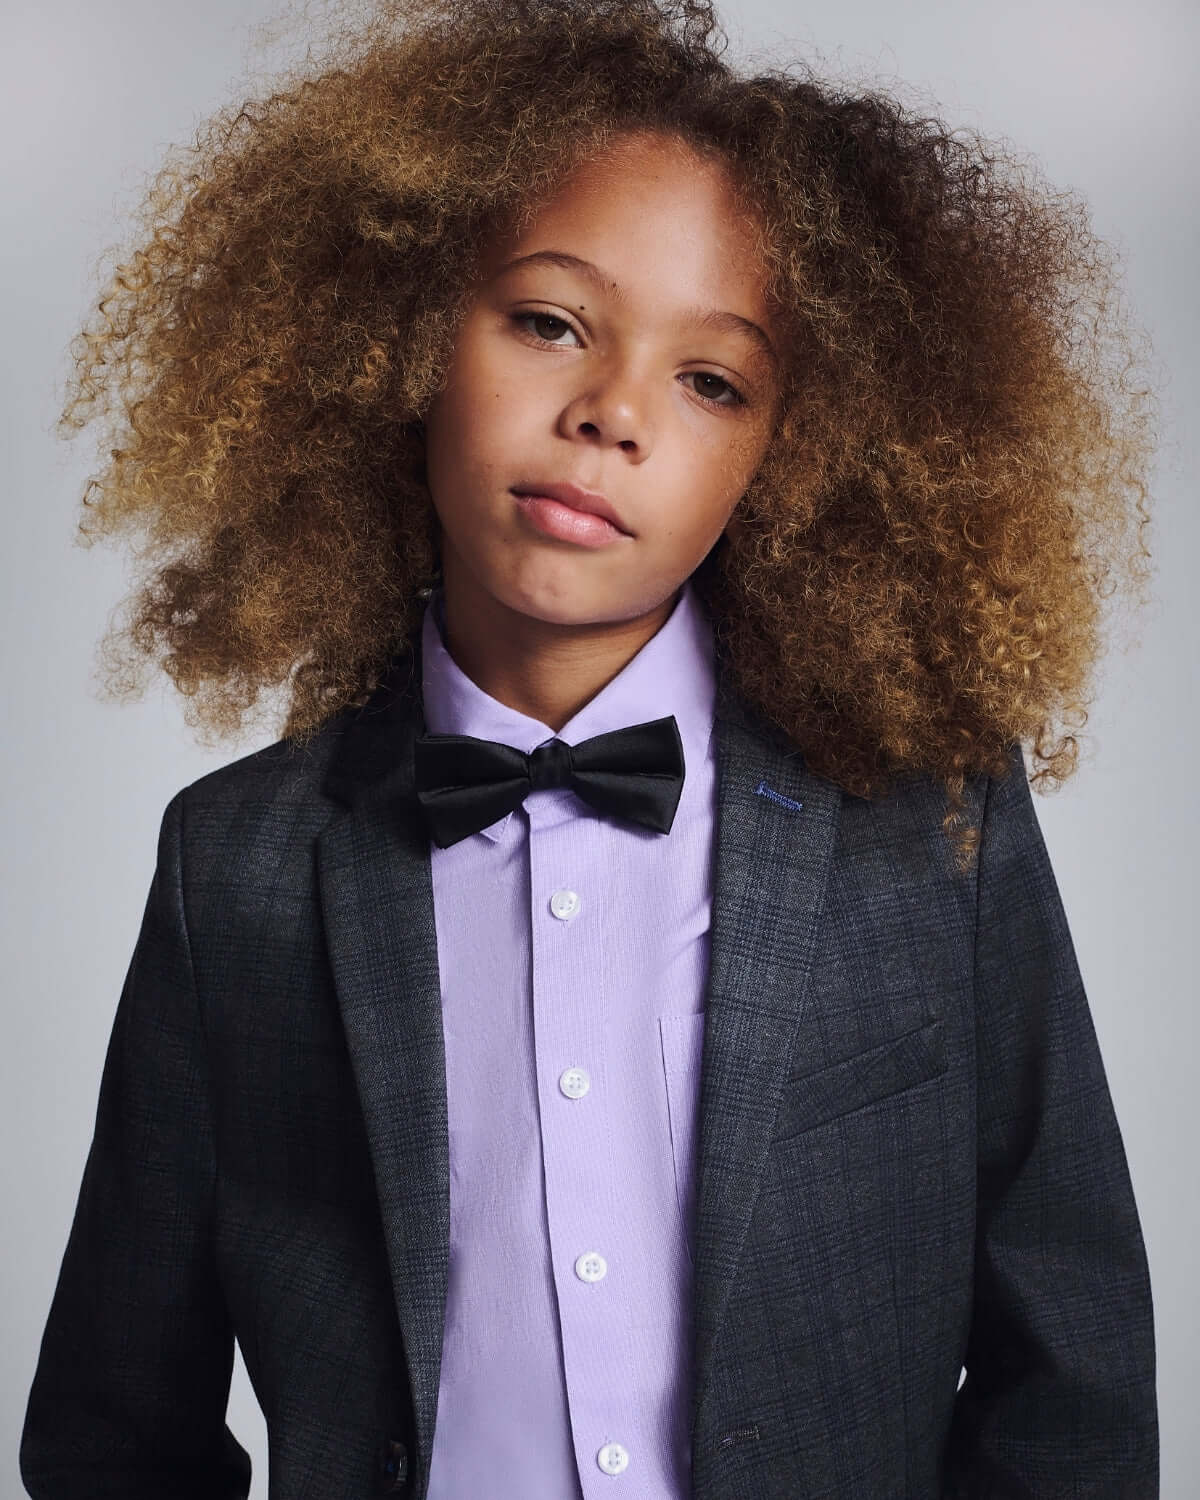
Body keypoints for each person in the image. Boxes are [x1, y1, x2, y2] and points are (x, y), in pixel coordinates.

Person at [20, 0, 1160, 1495]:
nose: (612, 414)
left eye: (712, 381)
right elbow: (116, 1429)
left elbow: (1072, 1375)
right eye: (549, 322)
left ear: (793, 454)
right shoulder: (236, 864)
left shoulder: (931, 814)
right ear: (398, 334)